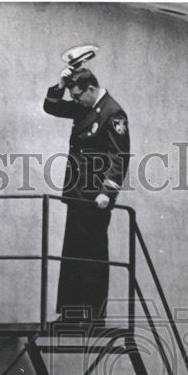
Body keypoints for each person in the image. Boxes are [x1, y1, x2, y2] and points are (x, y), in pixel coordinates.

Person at [43, 65, 130, 323]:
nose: (76, 100)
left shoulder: (113, 113)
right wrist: (60, 86)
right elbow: (52, 107)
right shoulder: (86, 106)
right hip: (76, 192)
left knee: (92, 254)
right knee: (73, 253)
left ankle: (93, 314)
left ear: (91, 89)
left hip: (95, 197)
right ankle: (71, 313)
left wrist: (108, 192)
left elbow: (120, 157)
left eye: (78, 95)